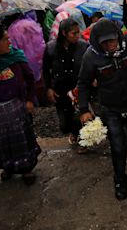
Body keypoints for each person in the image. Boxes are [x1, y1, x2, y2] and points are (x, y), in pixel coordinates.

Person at [78, 18, 127, 200]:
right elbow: (83, 84)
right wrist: (83, 109)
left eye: (112, 40)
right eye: (105, 42)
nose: (110, 45)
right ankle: (120, 180)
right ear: (98, 42)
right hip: (110, 108)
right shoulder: (91, 56)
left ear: (118, 36)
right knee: (118, 146)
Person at [0, 23, 40, 185]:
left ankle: (26, 169)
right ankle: (9, 167)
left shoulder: (16, 58)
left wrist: (29, 99)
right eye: (5, 39)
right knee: (1, 143)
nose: (10, 41)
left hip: (16, 108)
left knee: (21, 140)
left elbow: (30, 79)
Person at [43, 18, 88, 152]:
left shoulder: (83, 46)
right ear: (64, 33)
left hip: (78, 87)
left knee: (80, 115)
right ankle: (73, 133)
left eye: (78, 32)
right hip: (60, 89)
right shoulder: (51, 48)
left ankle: (83, 140)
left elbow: (88, 67)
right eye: (73, 33)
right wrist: (49, 88)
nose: (77, 36)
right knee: (64, 121)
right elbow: (45, 69)